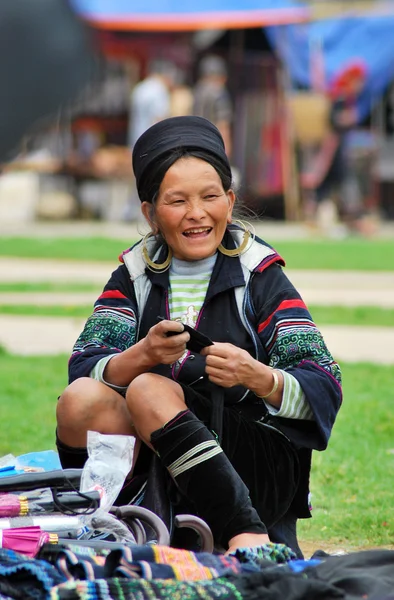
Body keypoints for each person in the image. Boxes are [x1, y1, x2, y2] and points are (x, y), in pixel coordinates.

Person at [56, 116, 342, 557]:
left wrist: (257, 376)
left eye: (210, 197)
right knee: (80, 400)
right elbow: (83, 368)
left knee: (151, 389)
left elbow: (324, 383)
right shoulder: (134, 275)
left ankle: (247, 537)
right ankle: (116, 524)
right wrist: (142, 353)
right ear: (150, 213)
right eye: (177, 201)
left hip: (255, 468)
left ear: (229, 202)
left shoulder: (260, 276)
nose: (196, 213)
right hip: (163, 467)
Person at [192, 55, 233, 158]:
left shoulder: (197, 90)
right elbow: (223, 124)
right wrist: (226, 151)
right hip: (213, 143)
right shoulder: (219, 92)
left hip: (194, 140)